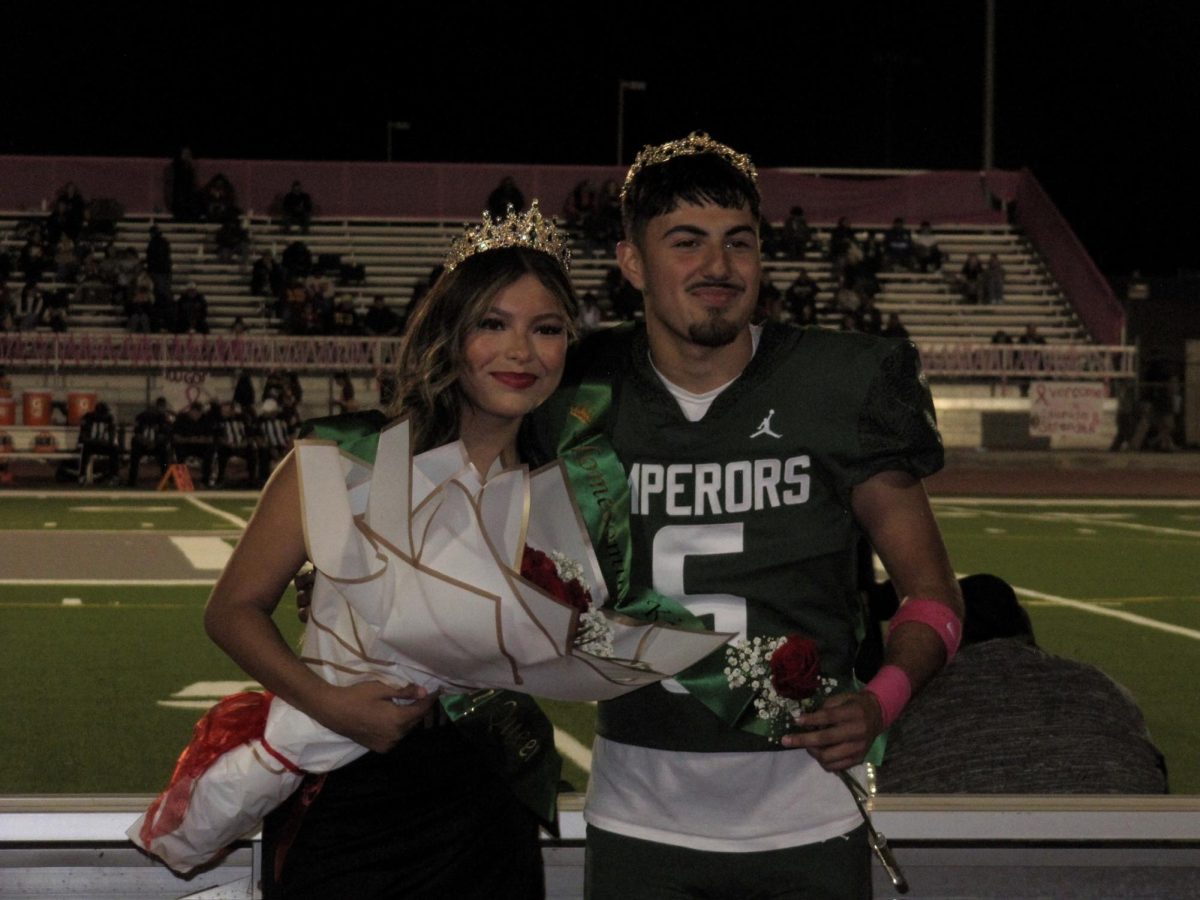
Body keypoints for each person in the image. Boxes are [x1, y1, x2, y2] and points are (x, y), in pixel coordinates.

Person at [534, 133, 962, 899]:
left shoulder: (839, 384)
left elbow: (932, 595)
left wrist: (880, 700)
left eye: (739, 242)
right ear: (632, 262)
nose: (718, 267)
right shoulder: (578, 390)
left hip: (808, 816)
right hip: (639, 817)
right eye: (686, 242)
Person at [204, 203, 578, 898]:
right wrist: (330, 705)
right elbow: (233, 610)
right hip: (344, 787)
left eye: (546, 329)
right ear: (448, 334)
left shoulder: (571, 485)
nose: (521, 352)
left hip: (488, 797)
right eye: (492, 324)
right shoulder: (342, 457)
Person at [878, 574, 1168, 794]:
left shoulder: (914, 699)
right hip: (1124, 854)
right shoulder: (1101, 688)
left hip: (953, 859)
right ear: (1024, 626)